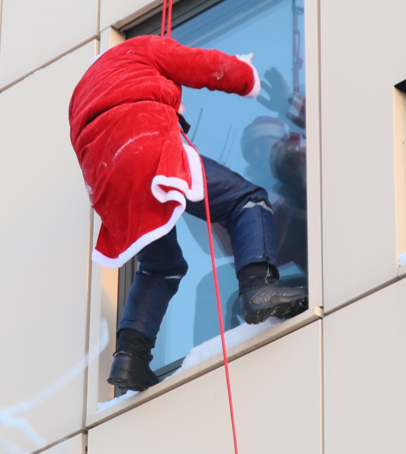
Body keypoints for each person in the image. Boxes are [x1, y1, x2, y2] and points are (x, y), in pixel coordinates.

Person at [69, 35, 309, 392]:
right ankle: (259, 288)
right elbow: (201, 66)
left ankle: (130, 356)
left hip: (105, 177)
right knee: (246, 200)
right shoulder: (139, 49)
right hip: (147, 143)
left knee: (160, 266)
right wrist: (245, 75)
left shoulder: (82, 93)